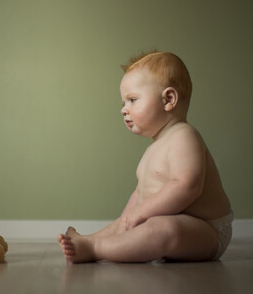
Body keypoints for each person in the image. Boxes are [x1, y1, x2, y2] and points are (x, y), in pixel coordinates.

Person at [58, 51, 233, 263]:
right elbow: (139, 195)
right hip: (170, 223)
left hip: (207, 229)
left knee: (164, 228)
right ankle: (88, 241)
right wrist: (127, 221)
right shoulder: (153, 149)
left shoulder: (184, 136)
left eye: (132, 100)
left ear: (168, 99)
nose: (124, 110)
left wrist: (141, 213)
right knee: (126, 221)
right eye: (123, 103)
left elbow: (187, 186)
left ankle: (97, 248)